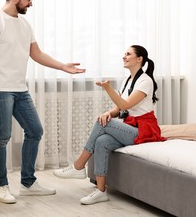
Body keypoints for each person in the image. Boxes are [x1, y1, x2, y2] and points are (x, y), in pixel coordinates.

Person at [0, 0, 86, 204]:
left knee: (35, 130)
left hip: (19, 89)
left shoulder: (25, 25)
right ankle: (1, 185)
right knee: (1, 138)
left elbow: (37, 54)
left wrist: (63, 66)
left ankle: (27, 182)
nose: (30, 4)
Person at [53, 45, 166, 205]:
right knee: (102, 141)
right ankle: (100, 191)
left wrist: (108, 89)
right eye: (124, 54)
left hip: (143, 132)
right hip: (131, 128)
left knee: (102, 125)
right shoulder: (128, 80)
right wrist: (108, 113)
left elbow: (125, 105)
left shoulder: (145, 81)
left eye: (128, 54)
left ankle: (78, 166)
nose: (124, 56)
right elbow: (119, 108)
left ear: (139, 59)